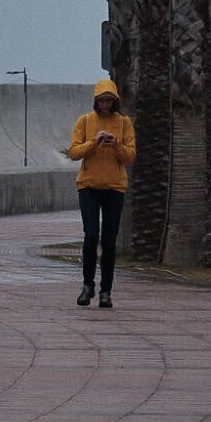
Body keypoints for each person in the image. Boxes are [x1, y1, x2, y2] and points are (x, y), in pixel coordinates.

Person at [67, 77, 136, 309]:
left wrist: (115, 143)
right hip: (88, 186)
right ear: (96, 101)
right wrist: (94, 143)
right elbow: (74, 152)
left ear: (115, 102)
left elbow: (130, 156)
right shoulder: (85, 121)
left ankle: (106, 290)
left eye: (109, 101)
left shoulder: (124, 123)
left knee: (109, 240)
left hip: (114, 187)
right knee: (91, 235)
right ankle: (88, 285)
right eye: (102, 101)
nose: (105, 105)